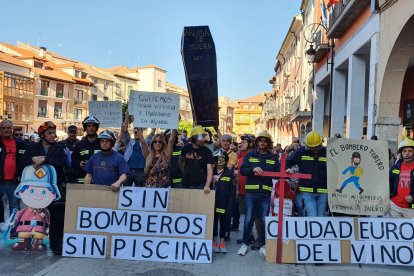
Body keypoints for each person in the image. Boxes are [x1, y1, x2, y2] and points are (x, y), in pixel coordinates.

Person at [23, 121, 67, 255]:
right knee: (35, 217)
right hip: (36, 189)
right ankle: (30, 245)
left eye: (54, 132)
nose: (53, 135)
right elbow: (23, 163)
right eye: (49, 133)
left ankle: (56, 246)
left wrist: (44, 160)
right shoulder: (32, 147)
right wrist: (32, 159)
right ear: (42, 135)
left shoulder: (60, 147)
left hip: (54, 188)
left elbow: (62, 162)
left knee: (57, 218)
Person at [238, 131, 280, 256]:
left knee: (263, 220)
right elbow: (243, 170)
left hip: (265, 193)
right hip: (251, 192)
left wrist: (287, 170)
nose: (262, 142)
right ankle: (245, 244)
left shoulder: (273, 157)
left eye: (265, 141)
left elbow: (279, 172)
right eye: (260, 140)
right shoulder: (250, 155)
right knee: (248, 219)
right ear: (257, 142)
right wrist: (252, 169)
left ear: (268, 143)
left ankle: (262, 245)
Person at [286, 130, 328, 217]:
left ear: (321, 143)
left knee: (321, 217)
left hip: (324, 191)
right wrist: (287, 169)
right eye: (312, 147)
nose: (315, 149)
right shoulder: (301, 152)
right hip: (307, 191)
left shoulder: (327, 152)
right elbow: (287, 161)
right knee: (312, 216)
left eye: (317, 147)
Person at [0, 120, 26, 230]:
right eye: (3, 128)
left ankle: (14, 229)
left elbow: (28, 156)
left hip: (15, 181)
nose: (6, 130)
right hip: (0, 180)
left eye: (8, 128)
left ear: (12, 129)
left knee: (15, 206)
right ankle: (1, 225)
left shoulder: (21, 143)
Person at [212, 149, 235, 254]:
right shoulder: (210, 172)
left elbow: (232, 191)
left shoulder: (229, 173)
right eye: (217, 159)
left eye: (222, 159)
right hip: (212, 202)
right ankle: (214, 243)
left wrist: (230, 205)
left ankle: (222, 243)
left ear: (226, 161)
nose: (219, 161)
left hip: (224, 203)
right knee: (214, 223)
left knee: (224, 223)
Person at [180, 125, 214, 194]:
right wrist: (185, 173)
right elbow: (181, 161)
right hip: (186, 184)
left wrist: (207, 185)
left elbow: (210, 170)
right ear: (194, 138)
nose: (203, 140)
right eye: (201, 137)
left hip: (201, 186)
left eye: (203, 137)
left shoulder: (207, 152)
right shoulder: (186, 149)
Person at [121, 112, 150, 186]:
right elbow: (124, 130)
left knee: (139, 192)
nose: (137, 133)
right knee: (126, 190)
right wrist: (127, 117)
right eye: (135, 132)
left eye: (138, 132)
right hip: (128, 170)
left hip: (141, 171)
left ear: (142, 132)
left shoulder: (146, 142)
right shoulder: (129, 142)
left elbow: (152, 132)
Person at [70, 115, 101, 184]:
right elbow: (73, 161)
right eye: (89, 126)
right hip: (82, 180)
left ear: (96, 128)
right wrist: (79, 164)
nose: (91, 128)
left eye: (93, 126)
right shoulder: (79, 145)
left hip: (99, 180)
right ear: (85, 128)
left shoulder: (102, 144)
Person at [389, 136, 414, 218]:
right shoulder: (394, 168)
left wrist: (413, 197)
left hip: (411, 208)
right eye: (404, 151)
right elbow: (388, 184)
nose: (407, 153)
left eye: (410, 151)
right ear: (401, 153)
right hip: (394, 207)